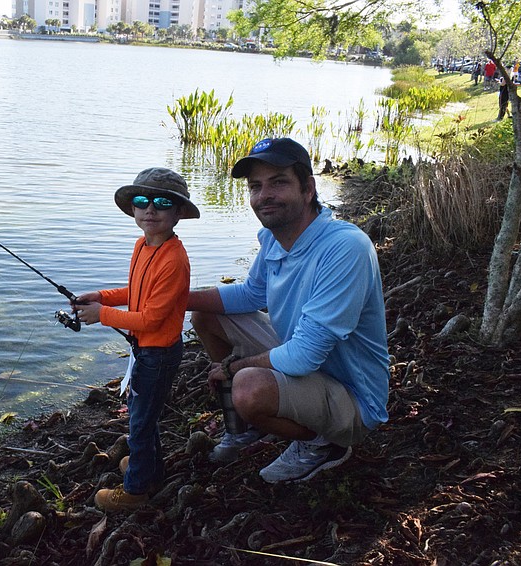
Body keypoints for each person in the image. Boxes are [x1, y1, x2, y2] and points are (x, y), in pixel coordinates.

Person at [187, 137, 390, 484]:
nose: (264, 195)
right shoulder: (274, 238)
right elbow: (252, 294)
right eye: (255, 186)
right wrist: (175, 298)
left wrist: (233, 367)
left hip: (352, 397)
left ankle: (322, 443)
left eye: (278, 182)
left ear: (308, 189)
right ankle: (249, 425)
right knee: (206, 316)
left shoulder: (344, 247)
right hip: (303, 358)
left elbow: (303, 357)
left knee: (248, 386)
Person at [74, 167, 200, 511]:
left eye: (162, 203)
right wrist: (101, 296)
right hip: (144, 351)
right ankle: (150, 468)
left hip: (157, 354)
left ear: (178, 213)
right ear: (133, 208)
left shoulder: (174, 259)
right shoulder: (143, 245)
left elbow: (150, 318)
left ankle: (136, 490)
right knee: (145, 417)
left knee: (140, 422)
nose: (150, 210)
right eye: (142, 201)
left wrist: (101, 314)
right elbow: (137, 292)